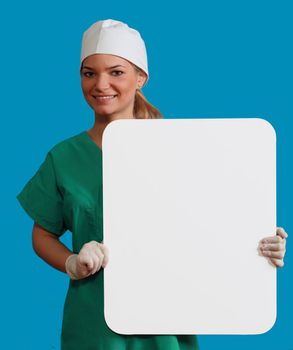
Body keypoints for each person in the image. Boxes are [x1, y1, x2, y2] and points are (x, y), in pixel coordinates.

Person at [16, 19, 288, 350]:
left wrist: (255, 245)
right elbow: (42, 234)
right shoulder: (64, 157)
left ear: (140, 78)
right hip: (93, 330)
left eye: (116, 72)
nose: (101, 84)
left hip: (167, 327)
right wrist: (71, 262)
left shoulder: (179, 149)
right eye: (89, 73)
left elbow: (213, 222)